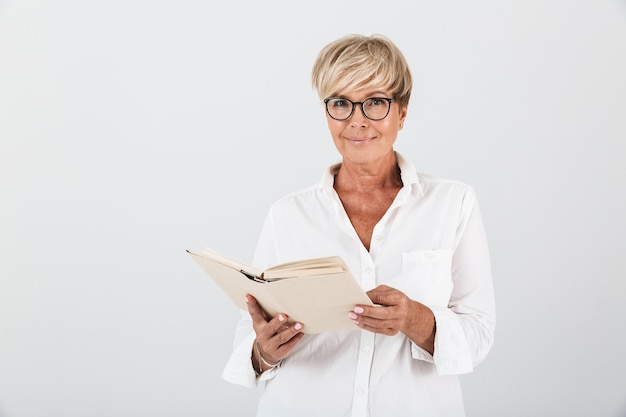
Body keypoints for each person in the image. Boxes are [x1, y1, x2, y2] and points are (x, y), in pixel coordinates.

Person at [221, 34, 495, 417]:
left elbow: (479, 333)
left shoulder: (453, 203)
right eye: (340, 104)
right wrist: (262, 351)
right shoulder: (288, 214)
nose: (357, 120)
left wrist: (415, 319)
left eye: (375, 103)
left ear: (402, 113)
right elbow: (248, 337)